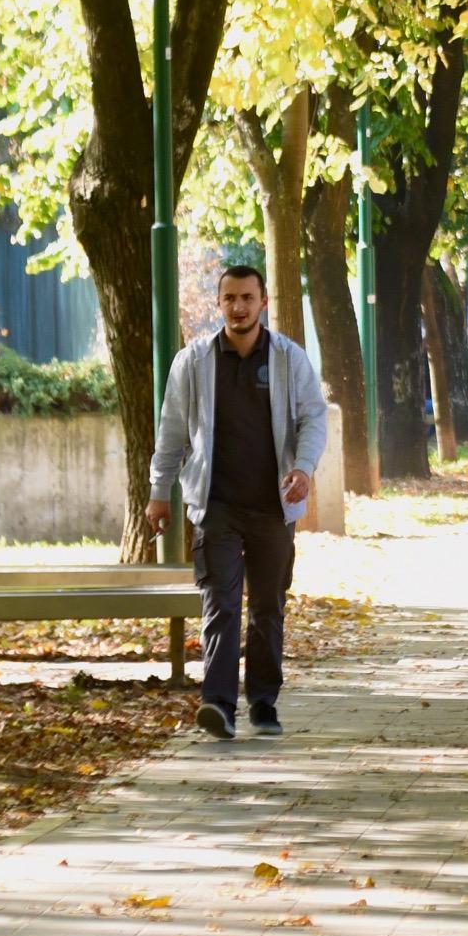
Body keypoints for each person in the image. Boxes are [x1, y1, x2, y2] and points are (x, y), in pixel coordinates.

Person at [145, 263, 329, 740]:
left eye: (248, 297)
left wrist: (303, 469)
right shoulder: (193, 362)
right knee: (220, 604)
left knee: (268, 607)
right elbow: (171, 434)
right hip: (217, 506)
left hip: (273, 507)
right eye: (230, 298)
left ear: (263, 301)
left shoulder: (289, 359)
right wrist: (159, 493)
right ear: (219, 303)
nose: (239, 306)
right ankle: (218, 705)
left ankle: (263, 704)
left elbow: (314, 418)